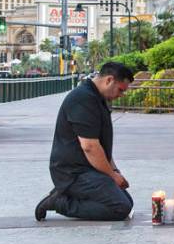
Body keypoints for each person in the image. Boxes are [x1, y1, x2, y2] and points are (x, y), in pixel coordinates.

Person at [35, 62, 135, 221]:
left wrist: (115, 172)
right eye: (120, 90)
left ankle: (66, 194)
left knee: (127, 201)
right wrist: (112, 175)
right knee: (120, 207)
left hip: (89, 170)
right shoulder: (83, 99)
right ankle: (60, 202)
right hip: (72, 173)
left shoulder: (98, 99)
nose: (121, 95)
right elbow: (90, 146)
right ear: (109, 80)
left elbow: (102, 147)